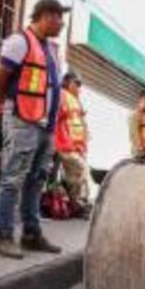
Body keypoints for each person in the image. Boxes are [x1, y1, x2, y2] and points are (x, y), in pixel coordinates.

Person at [0, 0, 68, 259]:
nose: (62, 23)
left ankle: (31, 233)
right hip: (23, 118)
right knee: (13, 177)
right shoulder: (19, 42)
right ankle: (3, 235)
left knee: (37, 179)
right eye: (58, 17)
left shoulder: (51, 48)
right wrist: (4, 104)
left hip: (45, 124)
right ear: (45, 15)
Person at [54, 71, 90, 216]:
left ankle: (76, 204)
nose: (79, 87)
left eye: (80, 84)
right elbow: (58, 119)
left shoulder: (75, 99)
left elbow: (79, 123)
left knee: (78, 175)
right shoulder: (62, 95)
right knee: (80, 170)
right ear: (67, 82)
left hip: (76, 146)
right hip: (65, 143)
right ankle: (77, 204)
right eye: (77, 83)